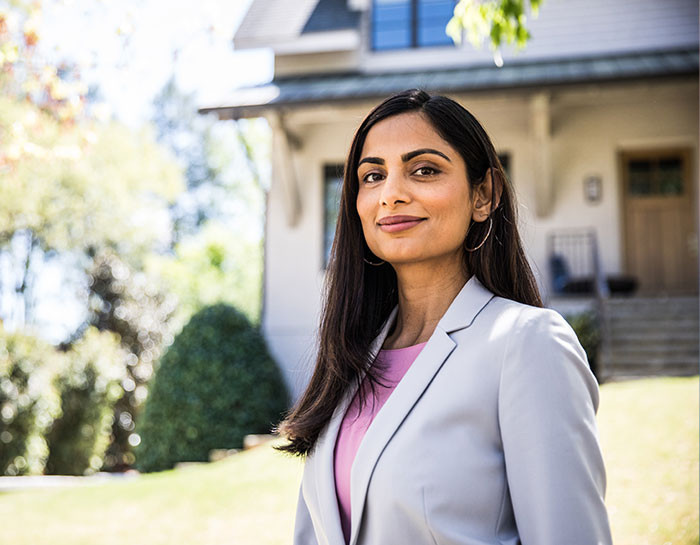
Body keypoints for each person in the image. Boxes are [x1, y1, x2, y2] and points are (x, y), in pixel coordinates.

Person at [276, 89, 612, 545]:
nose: (390, 194)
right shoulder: (350, 358)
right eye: (372, 176)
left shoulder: (528, 345)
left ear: (484, 194)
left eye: (424, 170)